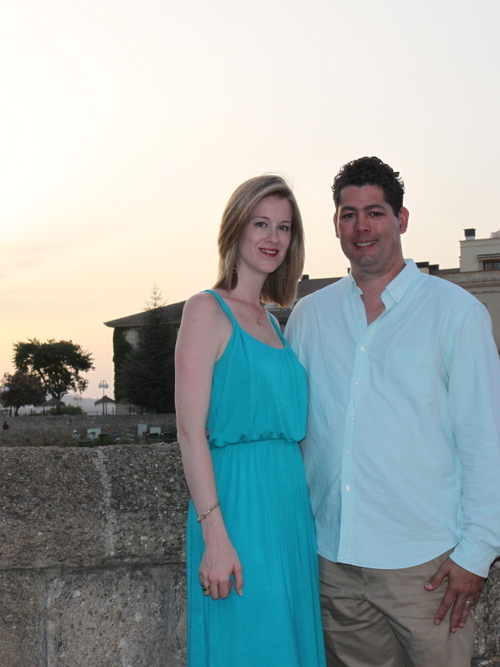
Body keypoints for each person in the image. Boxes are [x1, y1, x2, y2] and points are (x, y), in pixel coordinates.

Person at [286, 157, 500, 666]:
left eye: (375, 212)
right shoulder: (309, 317)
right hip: (334, 563)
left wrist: (477, 553)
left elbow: (485, 439)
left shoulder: (455, 313)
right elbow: (296, 431)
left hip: (426, 567)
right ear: (335, 224)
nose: (361, 227)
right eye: (348, 214)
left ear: (401, 219)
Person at [175, 174, 325, 666]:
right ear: (236, 229)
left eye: (284, 227)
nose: (272, 237)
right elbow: (189, 432)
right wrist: (215, 537)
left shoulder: (275, 323)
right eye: (260, 223)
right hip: (238, 508)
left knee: (290, 643)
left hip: (289, 511)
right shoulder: (206, 310)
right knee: (252, 645)